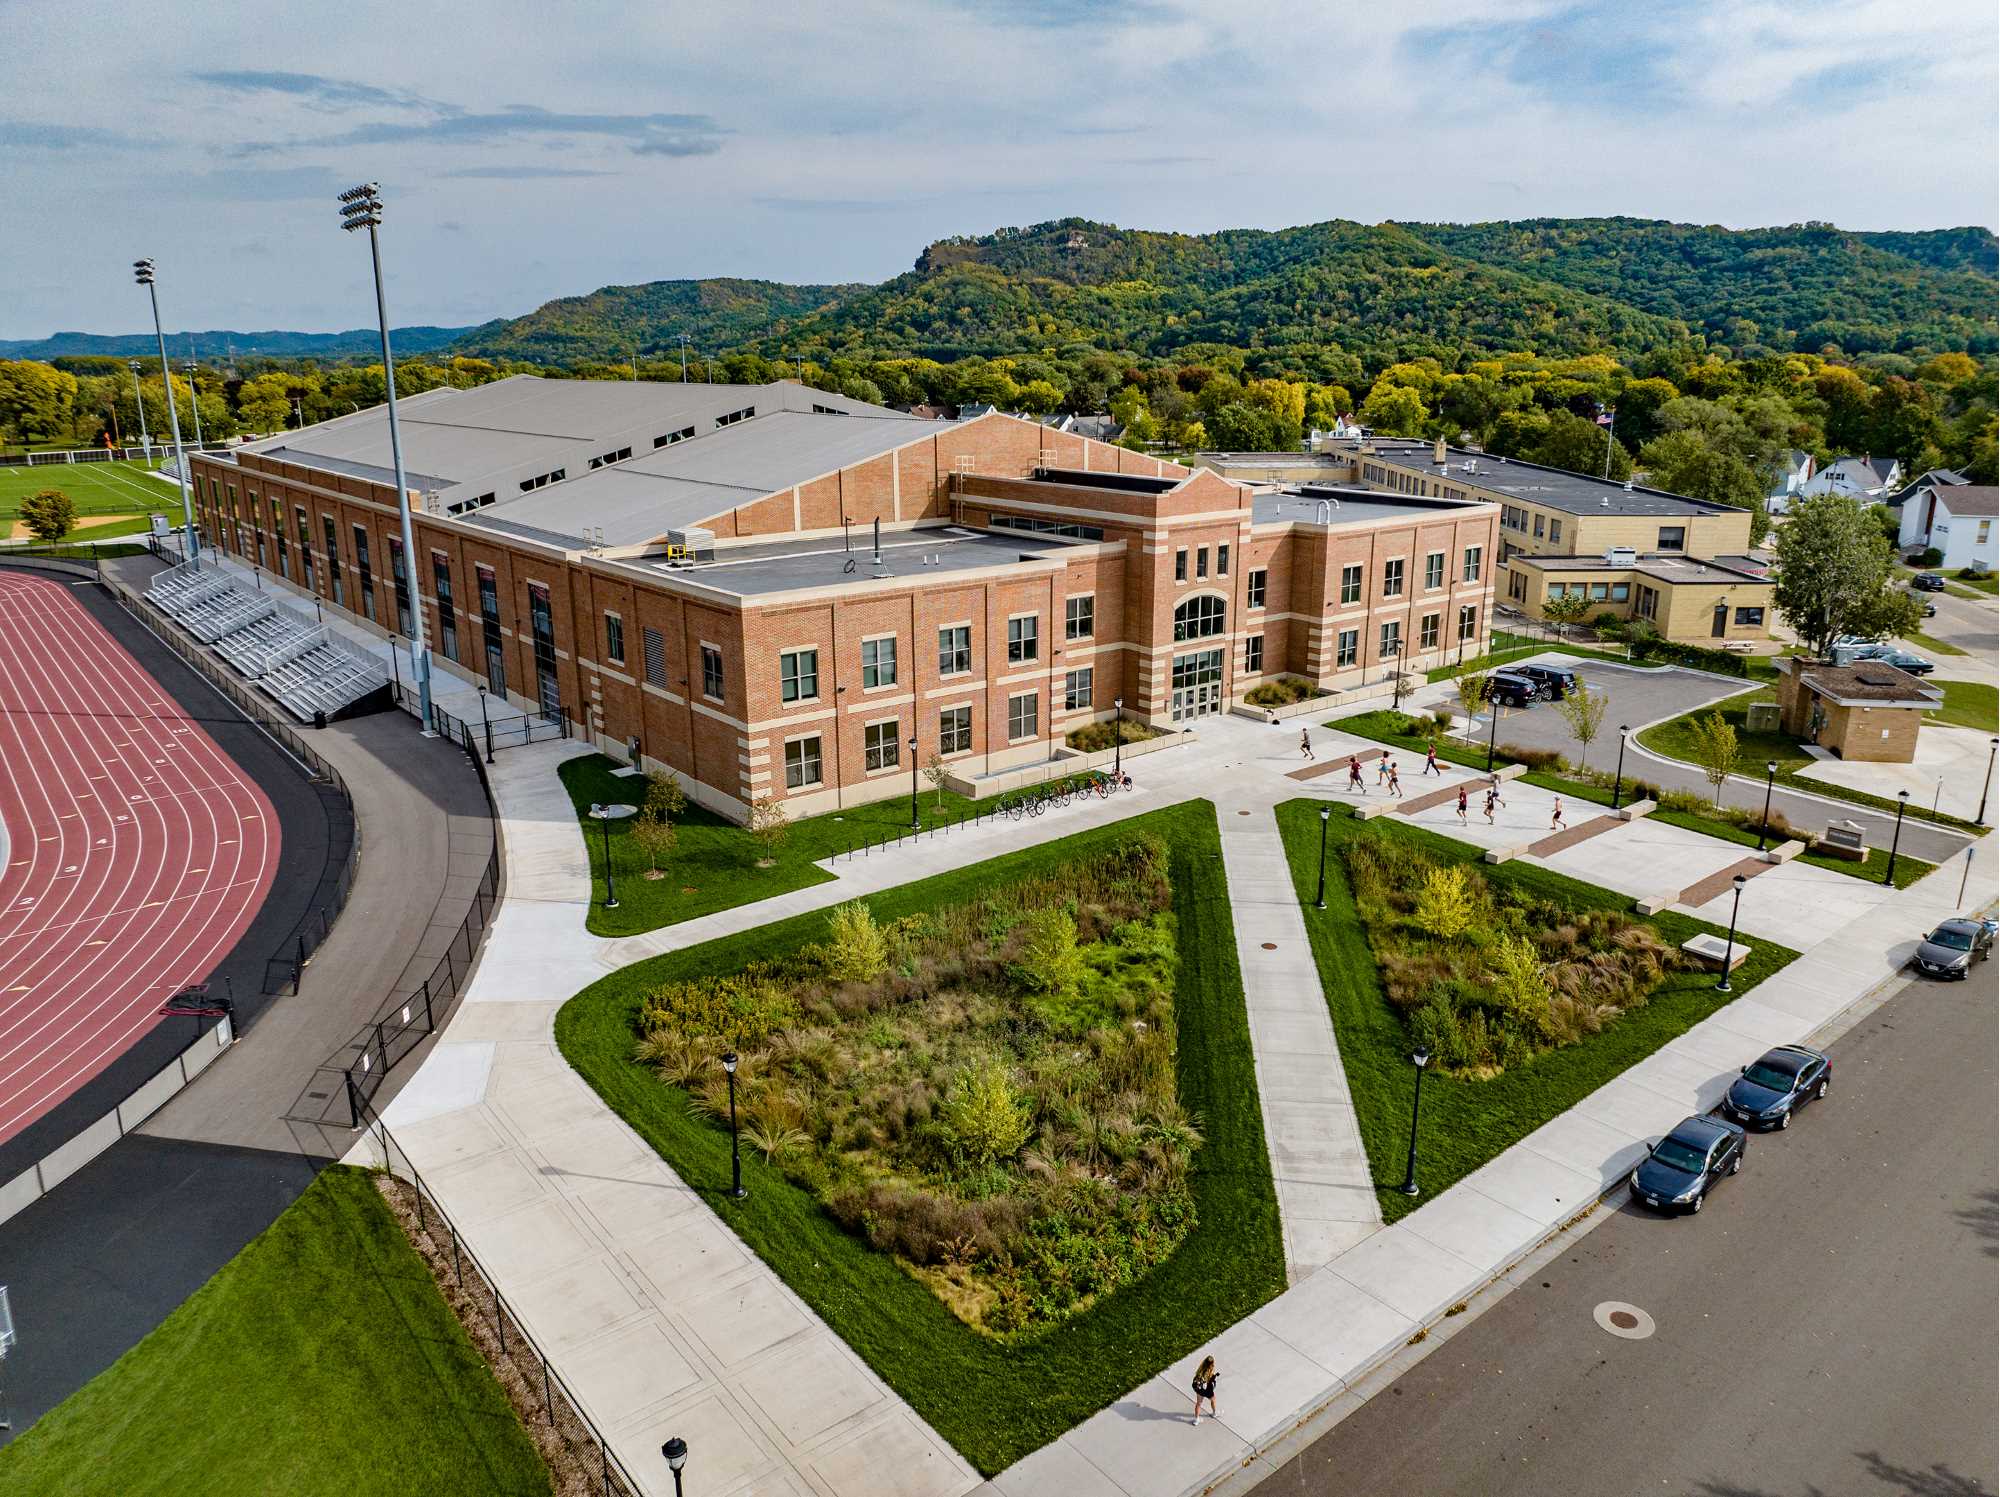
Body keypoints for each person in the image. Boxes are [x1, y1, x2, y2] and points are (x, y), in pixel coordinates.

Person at [1190, 1354, 1220, 1424]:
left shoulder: (1200, 1369)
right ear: (1212, 1363)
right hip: (1207, 1390)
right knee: (1213, 1400)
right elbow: (1210, 1380)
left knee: (1198, 1403)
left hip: (1199, 1389)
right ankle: (1214, 1413)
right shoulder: (1210, 1369)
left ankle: (1196, 1420)